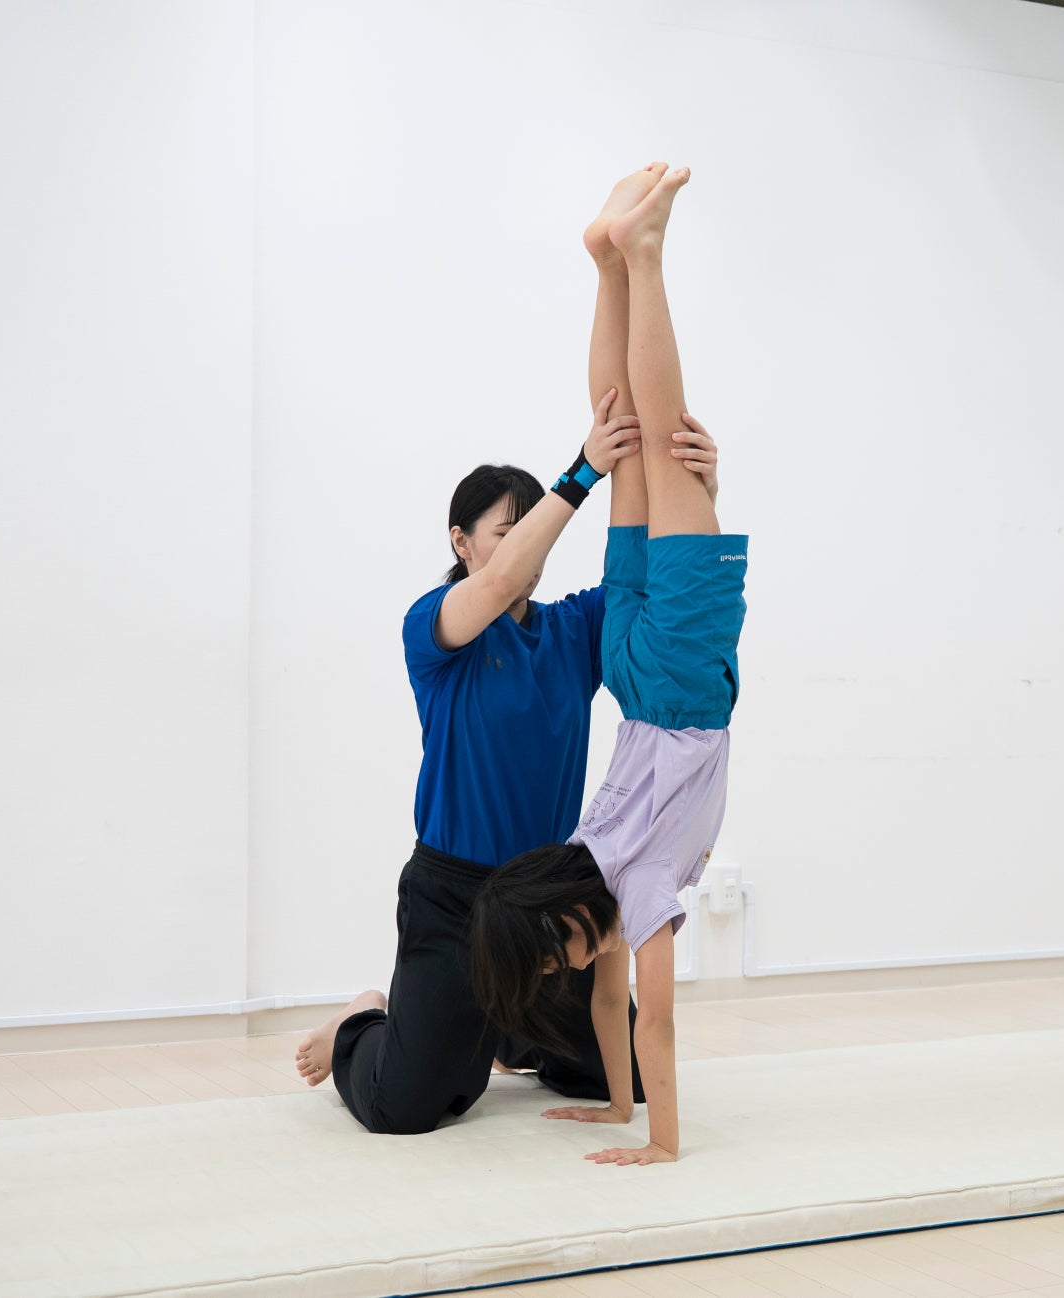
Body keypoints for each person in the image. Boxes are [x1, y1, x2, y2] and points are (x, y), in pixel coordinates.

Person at [291, 163, 723, 1136]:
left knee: (610, 1073)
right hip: (452, 897)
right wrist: (580, 473)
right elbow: (494, 589)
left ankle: (510, 1033)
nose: (522, 546)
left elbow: (654, 549)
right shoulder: (438, 630)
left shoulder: (568, 630)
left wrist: (695, 482)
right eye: (504, 530)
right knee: (411, 1104)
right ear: (461, 542)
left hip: (544, 896)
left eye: (529, 529)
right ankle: (364, 1020)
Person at [469, 163, 746, 1167]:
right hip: (632, 672)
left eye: (556, 956)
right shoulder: (593, 855)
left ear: (569, 922)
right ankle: (607, 263)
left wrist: (658, 1141)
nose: (570, 971)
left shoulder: (637, 889)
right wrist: (613, 1107)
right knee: (628, 444)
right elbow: (607, 1004)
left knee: (658, 447)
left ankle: (644, 255)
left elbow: (653, 1021)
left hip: (678, 677)